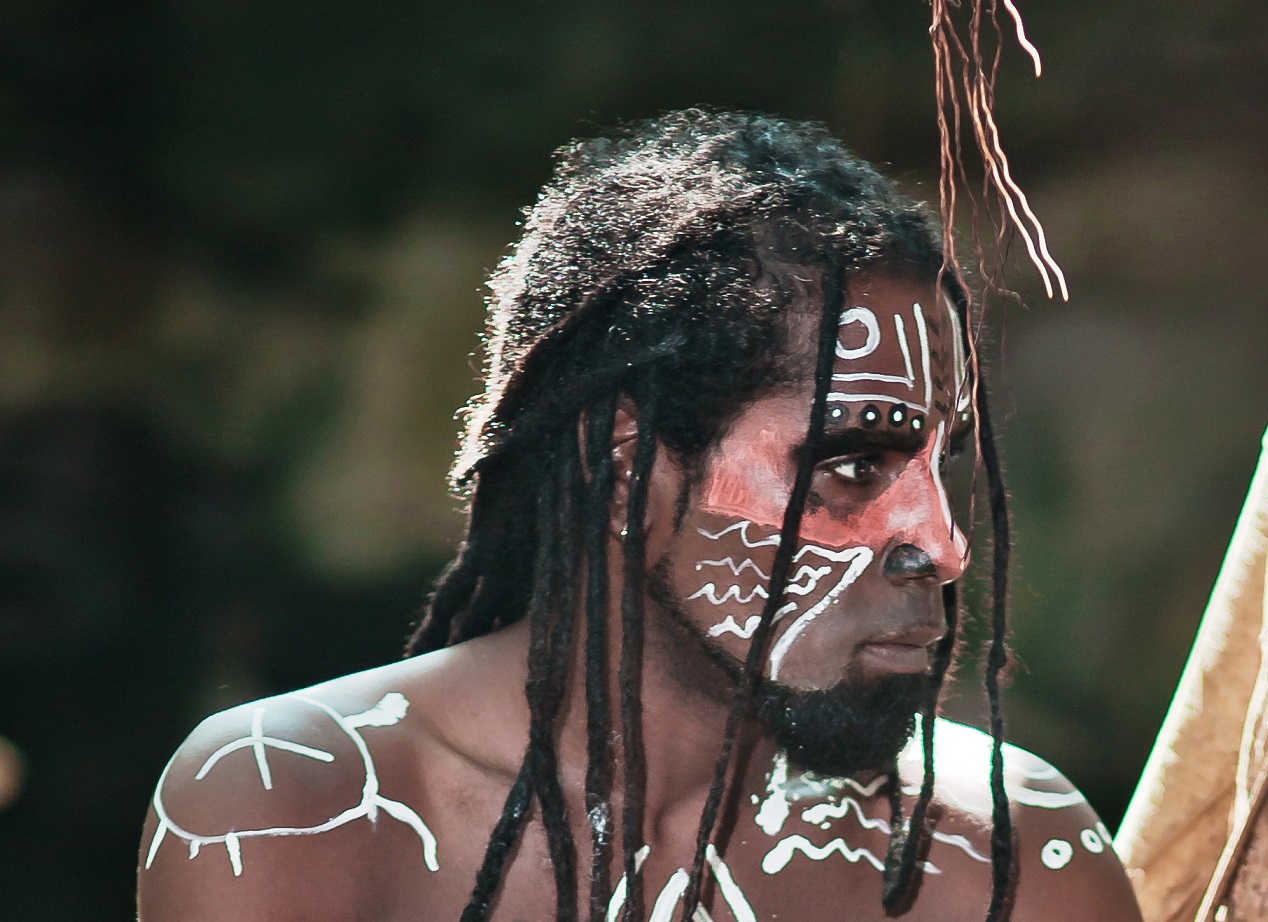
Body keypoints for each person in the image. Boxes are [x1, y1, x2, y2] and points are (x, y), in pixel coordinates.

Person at [136, 109, 1143, 922]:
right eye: (850, 465)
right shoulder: (295, 799)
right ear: (624, 466)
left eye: (938, 466)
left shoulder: (1006, 850)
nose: (939, 539)